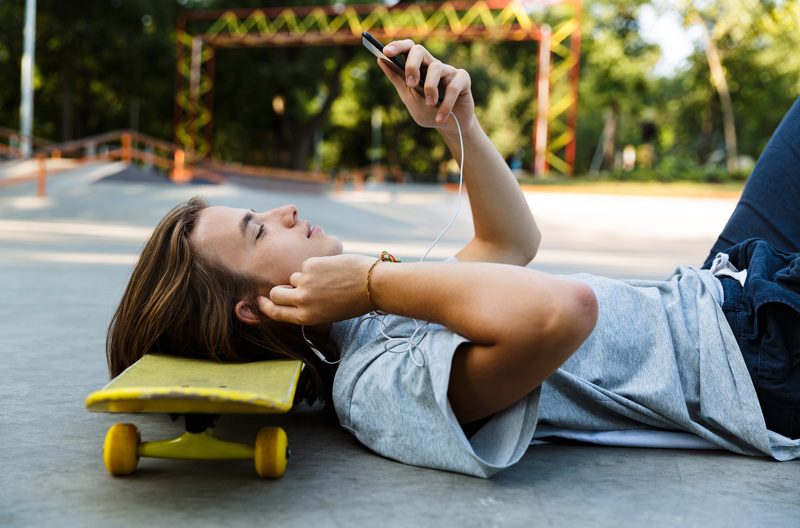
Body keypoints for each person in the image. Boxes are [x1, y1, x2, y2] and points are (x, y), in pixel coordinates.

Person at [107, 41, 800, 478]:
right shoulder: (372, 387)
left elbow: (508, 248)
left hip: (725, 286)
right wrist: (378, 283)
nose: (284, 213)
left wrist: (455, 124)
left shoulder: (365, 323)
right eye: (259, 231)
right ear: (260, 307)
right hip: (756, 354)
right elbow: (559, 312)